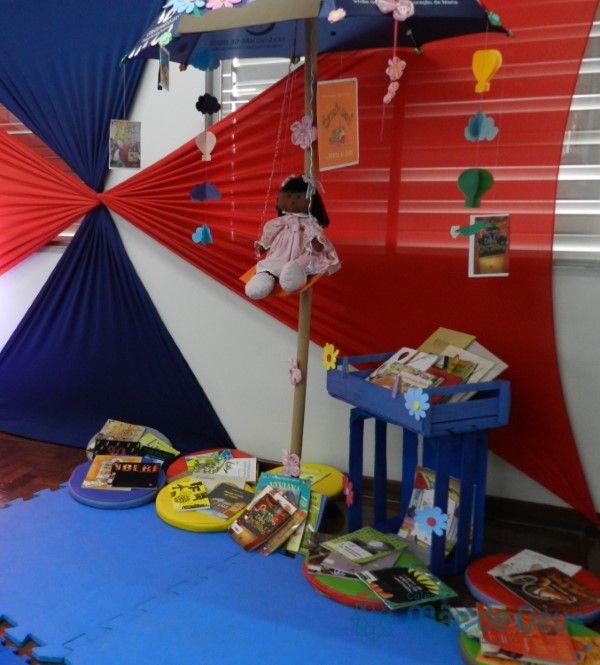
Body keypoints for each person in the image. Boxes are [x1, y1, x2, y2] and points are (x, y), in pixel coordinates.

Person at [244, 176, 340, 300]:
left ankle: (297, 275)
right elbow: (271, 230)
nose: (292, 201)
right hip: (281, 250)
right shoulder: (283, 221)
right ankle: (265, 276)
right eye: (288, 196)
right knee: (273, 262)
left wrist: (316, 242)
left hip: (302, 250)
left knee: (304, 262)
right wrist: (264, 244)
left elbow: (314, 233)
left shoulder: (310, 222)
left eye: (298, 197)